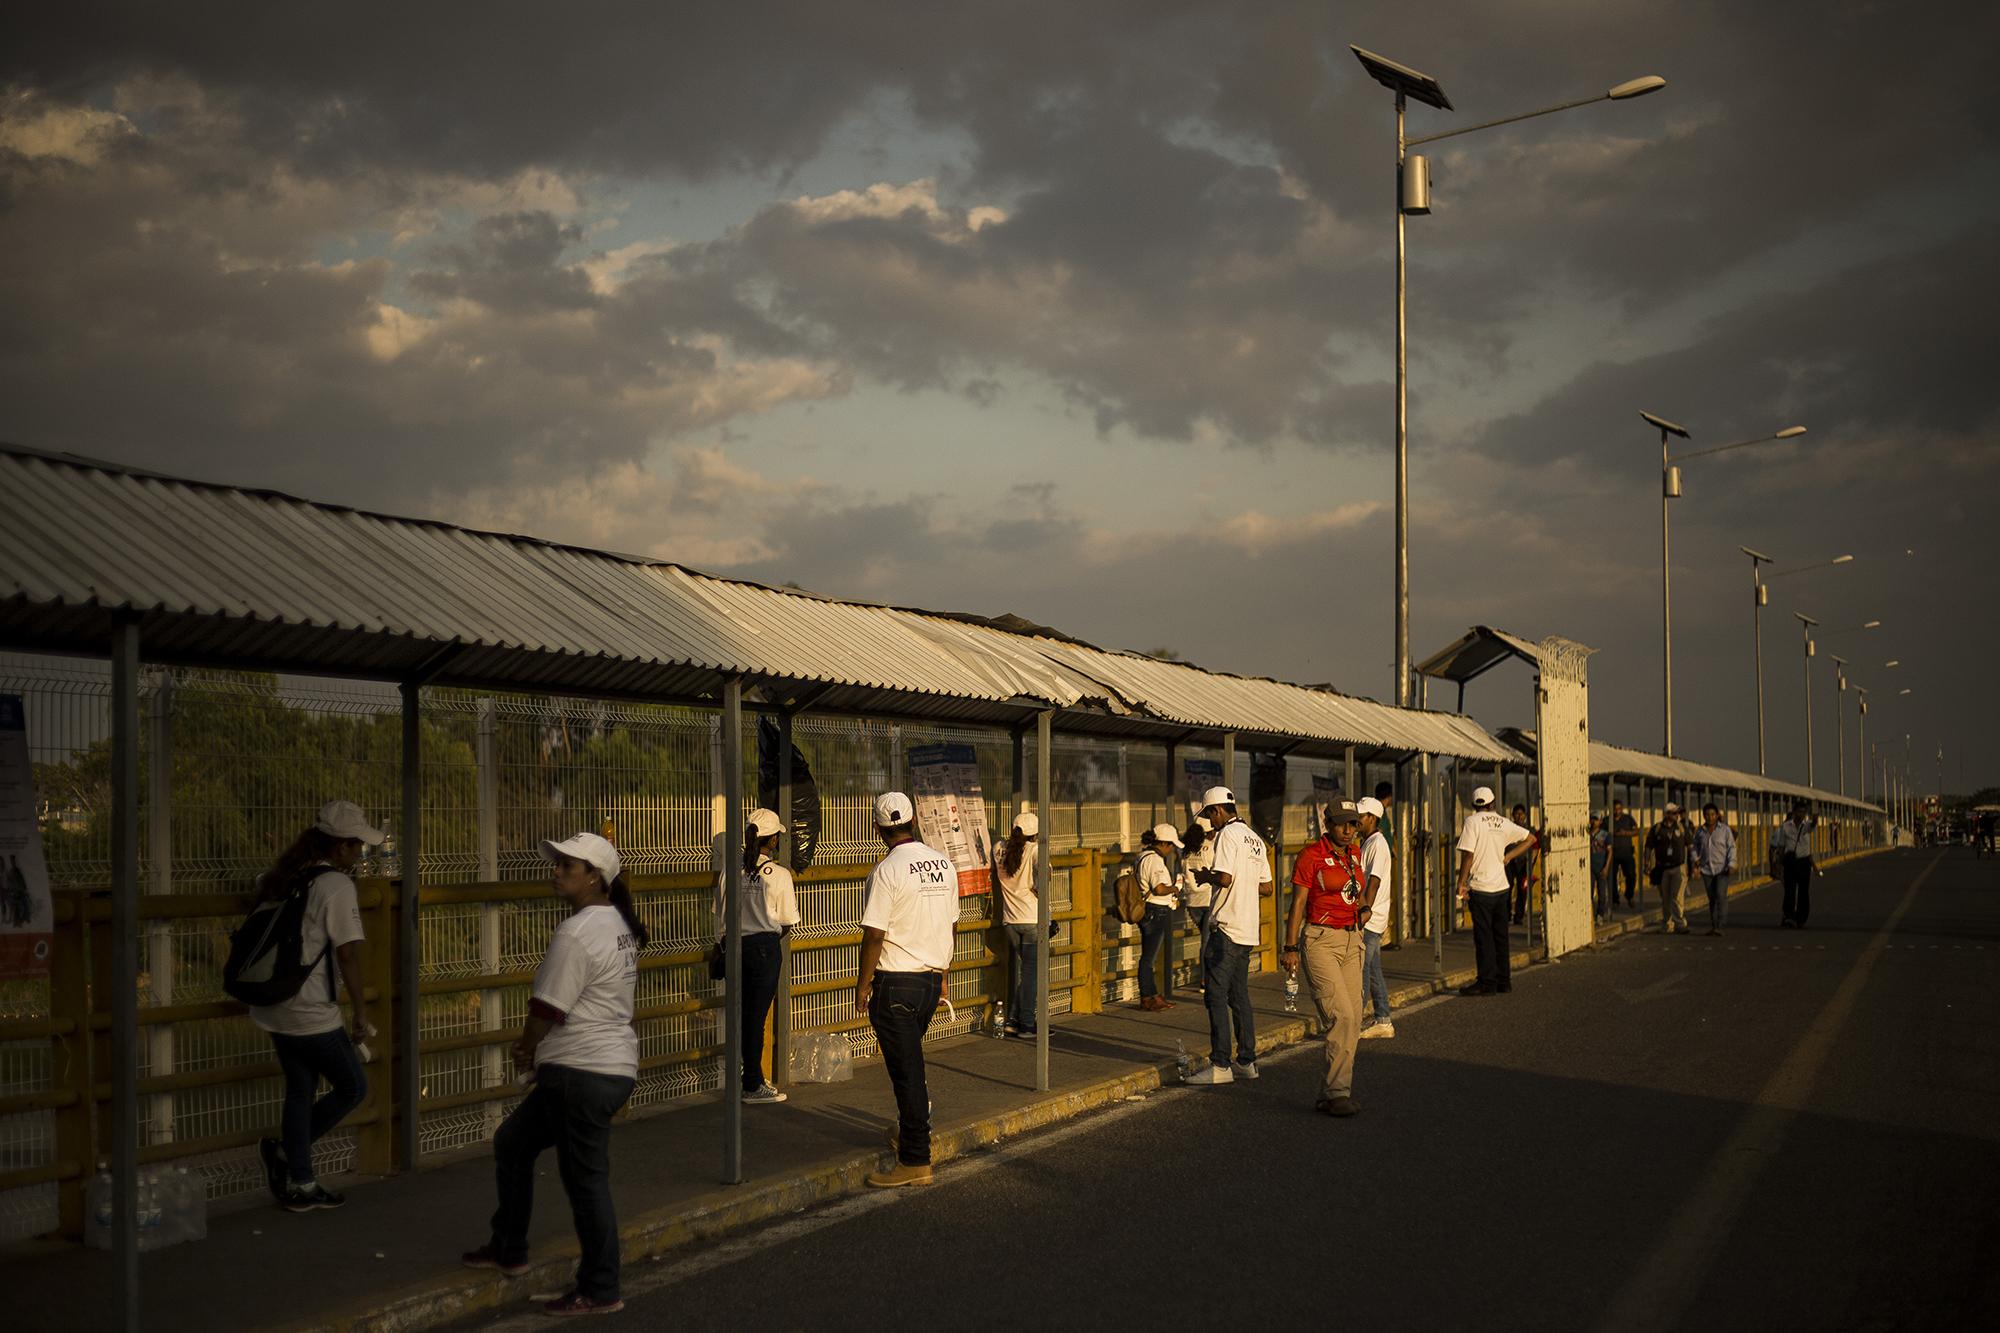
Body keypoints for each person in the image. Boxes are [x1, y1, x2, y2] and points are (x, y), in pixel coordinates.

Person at [464, 831, 646, 1315]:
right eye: (559, 864)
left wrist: (526, 1049)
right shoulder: (617, 925)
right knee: (514, 1143)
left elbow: (547, 1006)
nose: (558, 871)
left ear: (596, 878)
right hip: (602, 1066)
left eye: (570, 866)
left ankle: (601, 1287)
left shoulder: (579, 931)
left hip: (580, 1071)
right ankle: (509, 1247)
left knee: (585, 1179)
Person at [252, 799, 378, 1213]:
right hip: (309, 1010)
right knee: (353, 1086)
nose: (361, 852)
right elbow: (347, 955)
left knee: (300, 1090)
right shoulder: (337, 886)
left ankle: (302, 1184)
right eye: (358, 845)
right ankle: (289, 1155)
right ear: (341, 847)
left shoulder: (284, 876)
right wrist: (360, 1010)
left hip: (273, 1004)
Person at [855, 792, 958, 1187]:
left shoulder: (886, 871)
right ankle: (906, 1130)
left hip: (895, 982)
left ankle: (916, 1158)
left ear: (878, 828)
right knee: (910, 1064)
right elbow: (952, 924)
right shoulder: (944, 864)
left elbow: (874, 934)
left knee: (907, 1073)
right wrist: (944, 972)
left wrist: (863, 985)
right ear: (914, 820)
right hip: (931, 981)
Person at [1282, 796, 1368, 1116]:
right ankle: (1336, 1093)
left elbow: (1355, 894)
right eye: (1342, 824)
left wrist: (1364, 909)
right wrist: (1290, 948)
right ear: (1328, 825)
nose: (1348, 830)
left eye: (1353, 824)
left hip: (1352, 939)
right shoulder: (1311, 856)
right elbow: (1298, 904)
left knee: (1354, 1018)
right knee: (1340, 1015)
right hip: (1320, 940)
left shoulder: (1355, 855)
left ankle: (1332, 1090)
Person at [1184, 785, 1274, 1084]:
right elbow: (1267, 887)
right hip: (1248, 929)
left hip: (1226, 927)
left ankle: (1220, 1064)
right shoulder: (1255, 839)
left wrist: (1205, 875)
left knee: (1215, 996)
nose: (1210, 822)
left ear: (1218, 810)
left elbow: (1224, 877)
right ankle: (1247, 1061)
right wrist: (1244, 884)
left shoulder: (1226, 835)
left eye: (1210, 815)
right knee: (1240, 997)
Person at [715, 807, 800, 1102]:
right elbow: (787, 921)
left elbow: (721, 914)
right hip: (764, 948)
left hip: (735, 948)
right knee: (756, 1017)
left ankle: (747, 1076)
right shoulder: (778, 875)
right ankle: (752, 1082)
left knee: (742, 1015)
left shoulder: (730, 870)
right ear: (773, 840)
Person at [1454, 787, 1535, 996]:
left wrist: (1461, 882)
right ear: (1493, 803)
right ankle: (1504, 980)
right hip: (1501, 888)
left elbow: (1468, 856)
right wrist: (1509, 856)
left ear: (1474, 805)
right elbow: (1531, 839)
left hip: (1480, 888)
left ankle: (1487, 982)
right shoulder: (1503, 822)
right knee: (1501, 935)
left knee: (1484, 937)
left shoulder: (1472, 822)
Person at [994, 811, 1042, 1038]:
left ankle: (1012, 1021)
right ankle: (1026, 1023)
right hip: (1031, 919)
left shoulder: (998, 849)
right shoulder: (1034, 850)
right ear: (1036, 834)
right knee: (1031, 974)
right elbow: (1044, 877)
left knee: (1024, 972)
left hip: (1009, 921)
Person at [1356, 796, 1394, 1039]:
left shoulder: (1378, 844)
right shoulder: (1368, 842)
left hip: (1371, 917)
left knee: (1361, 969)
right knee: (1372, 969)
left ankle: (1354, 1021)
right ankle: (1383, 1019)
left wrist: (1364, 912)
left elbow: (1374, 881)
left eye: (1361, 816)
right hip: (1371, 915)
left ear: (1372, 818)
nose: (1357, 820)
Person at [1135, 823, 1183, 1011]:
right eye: (1170, 845)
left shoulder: (1141, 856)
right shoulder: (1154, 860)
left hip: (1147, 909)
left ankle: (1151, 994)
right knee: (1149, 957)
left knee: (1148, 955)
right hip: (1156, 910)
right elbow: (1159, 888)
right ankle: (1149, 996)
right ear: (1163, 843)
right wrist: (1175, 888)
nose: (1171, 850)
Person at [1178, 813, 1214, 990]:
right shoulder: (1210, 846)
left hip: (1192, 901)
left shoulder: (1185, 849)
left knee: (1207, 939)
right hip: (1209, 898)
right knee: (1208, 942)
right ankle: (1206, 980)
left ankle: (1209, 978)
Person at [1647, 803, 1694, 934]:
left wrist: (1695, 863)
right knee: (1665, 897)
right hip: (1662, 868)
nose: (1676, 815)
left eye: (1677, 813)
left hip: (1678, 867)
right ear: (1667, 814)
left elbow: (1690, 846)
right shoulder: (1657, 829)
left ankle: (1680, 923)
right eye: (1673, 813)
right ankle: (1667, 924)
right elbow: (1649, 846)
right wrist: (1647, 864)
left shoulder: (1682, 828)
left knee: (1677, 896)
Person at [1693, 803, 1736, 936]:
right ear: (1703, 816)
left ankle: (1720, 925)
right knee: (1712, 898)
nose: (1710, 817)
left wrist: (1732, 863)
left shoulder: (1725, 830)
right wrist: (1695, 860)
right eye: (1707, 815)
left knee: (1720, 895)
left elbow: (1731, 847)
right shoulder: (1700, 831)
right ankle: (1714, 925)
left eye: (1712, 814)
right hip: (1707, 870)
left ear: (1717, 815)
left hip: (1722, 869)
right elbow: (1694, 847)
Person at [1774, 802, 1817, 928]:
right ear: (1794, 812)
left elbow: (1813, 824)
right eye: (1799, 811)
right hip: (1790, 861)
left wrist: (1815, 816)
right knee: (1789, 891)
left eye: (1804, 812)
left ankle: (1801, 917)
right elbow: (1781, 846)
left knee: (1804, 891)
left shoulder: (1806, 826)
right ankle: (1789, 916)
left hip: (1803, 862)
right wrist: (1779, 864)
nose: (1801, 814)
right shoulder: (1786, 827)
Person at [1506, 802, 1540, 925]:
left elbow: (1536, 847)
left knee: (1522, 890)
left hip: (1524, 863)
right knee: (1507, 888)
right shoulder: (1508, 829)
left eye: (1522, 814)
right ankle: (1507, 914)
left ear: (1525, 815)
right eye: (1517, 814)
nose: (1519, 816)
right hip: (1509, 862)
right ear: (1513, 815)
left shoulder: (1530, 830)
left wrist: (1531, 863)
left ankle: (1518, 916)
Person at [1588, 814, 1611, 919]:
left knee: (1602, 894)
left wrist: (1606, 867)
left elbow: (1610, 851)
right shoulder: (1587, 834)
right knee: (1590, 893)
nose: (1593, 821)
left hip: (1601, 866)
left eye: (1596, 819)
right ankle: (1591, 915)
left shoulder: (1605, 835)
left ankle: (1600, 914)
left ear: (1600, 821)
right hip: (1590, 867)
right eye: (1592, 819)